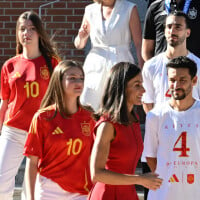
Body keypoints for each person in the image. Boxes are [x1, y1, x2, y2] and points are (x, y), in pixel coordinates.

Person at [0, 11, 59, 199]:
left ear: (40, 33)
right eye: (23, 29)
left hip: (42, 132)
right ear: (17, 33)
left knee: (35, 187)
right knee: (1, 181)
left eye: (32, 29)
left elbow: (59, 100)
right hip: (13, 131)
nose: (27, 33)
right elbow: (5, 101)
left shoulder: (53, 64)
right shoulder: (10, 65)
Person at [88, 62, 162, 200]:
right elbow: (96, 174)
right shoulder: (107, 125)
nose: (143, 90)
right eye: (137, 85)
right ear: (122, 88)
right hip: (107, 195)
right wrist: (139, 179)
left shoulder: (134, 119)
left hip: (128, 194)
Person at [24, 60, 95, 200]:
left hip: (81, 192)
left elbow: (95, 159)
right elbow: (32, 163)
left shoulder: (90, 117)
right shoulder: (43, 118)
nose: (79, 82)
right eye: (72, 78)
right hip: (49, 189)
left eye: (81, 78)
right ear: (59, 81)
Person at [143, 56, 200, 200]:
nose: (176, 85)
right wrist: (168, 177)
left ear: (194, 81)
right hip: (163, 194)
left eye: (182, 80)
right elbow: (150, 156)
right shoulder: (154, 116)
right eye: (172, 80)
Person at [74, 0, 143, 111]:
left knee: (118, 106)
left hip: (120, 62)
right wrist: (81, 36)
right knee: (90, 102)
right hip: (95, 65)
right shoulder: (90, 10)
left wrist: (142, 69)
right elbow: (79, 44)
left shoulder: (129, 8)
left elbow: (139, 43)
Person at [142, 11, 200, 113]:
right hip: (161, 126)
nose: (172, 31)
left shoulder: (198, 65)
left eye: (178, 27)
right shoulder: (150, 66)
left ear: (188, 32)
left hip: (193, 126)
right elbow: (147, 102)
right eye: (169, 27)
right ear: (164, 31)